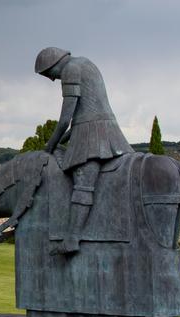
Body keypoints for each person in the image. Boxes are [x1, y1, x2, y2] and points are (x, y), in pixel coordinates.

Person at [36, 47, 134, 255]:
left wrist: (50, 145)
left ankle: (72, 239)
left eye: (49, 74)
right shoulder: (86, 63)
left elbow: (65, 119)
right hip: (103, 128)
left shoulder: (70, 70)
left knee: (83, 184)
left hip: (93, 134)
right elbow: (81, 117)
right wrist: (60, 141)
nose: (52, 79)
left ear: (54, 64)